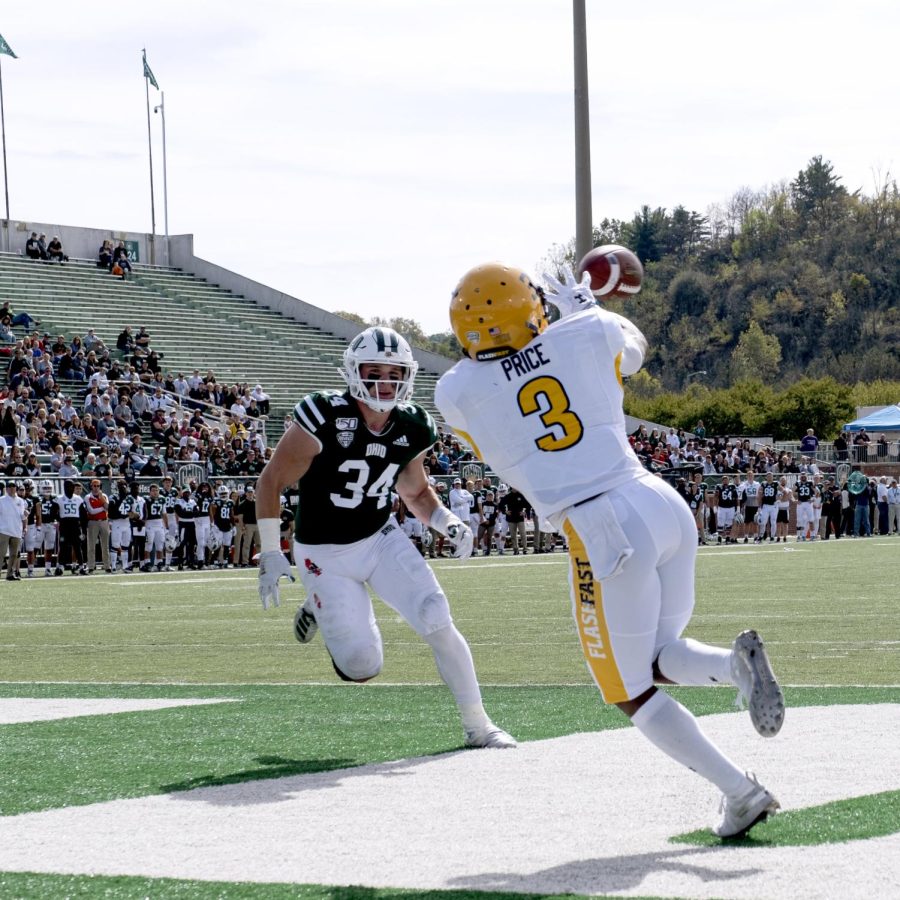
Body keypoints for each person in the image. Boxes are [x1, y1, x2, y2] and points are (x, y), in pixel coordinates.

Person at [434, 262, 783, 837]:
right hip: (656, 498)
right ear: (533, 310)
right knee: (656, 655)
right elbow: (634, 349)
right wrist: (589, 308)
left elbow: (497, 402)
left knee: (628, 691)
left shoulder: (457, 391)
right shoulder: (583, 332)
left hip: (600, 526)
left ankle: (739, 792)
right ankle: (729, 667)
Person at [255, 325, 515, 750]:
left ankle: (479, 726)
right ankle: (319, 602)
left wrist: (446, 522)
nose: (384, 381)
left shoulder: (412, 425)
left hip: (379, 538)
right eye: (373, 370)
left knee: (436, 614)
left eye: (393, 372)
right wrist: (271, 551)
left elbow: (414, 492)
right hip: (324, 552)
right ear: (353, 372)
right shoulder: (322, 415)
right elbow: (269, 482)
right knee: (361, 666)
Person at [0, 480, 28, 581]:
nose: (12, 488)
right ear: (6, 488)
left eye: (13, 486)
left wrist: (25, 526)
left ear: (16, 488)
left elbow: (22, 516)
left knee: (14, 555)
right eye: (9, 486)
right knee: (1, 554)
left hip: (16, 531)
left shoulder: (21, 501)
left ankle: (10, 574)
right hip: (3, 530)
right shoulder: (1, 500)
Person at [84, 479, 112, 572]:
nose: (96, 488)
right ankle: (91, 566)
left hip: (104, 521)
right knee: (91, 545)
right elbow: (91, 511)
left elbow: (108, 507)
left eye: (98, 486)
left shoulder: (104, 496)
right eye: (94, 486)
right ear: (91, 486)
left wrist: (102, 499)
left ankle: (107, 565)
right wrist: (102, 508)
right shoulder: (88, 497)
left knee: (105, 545)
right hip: (93, 522)